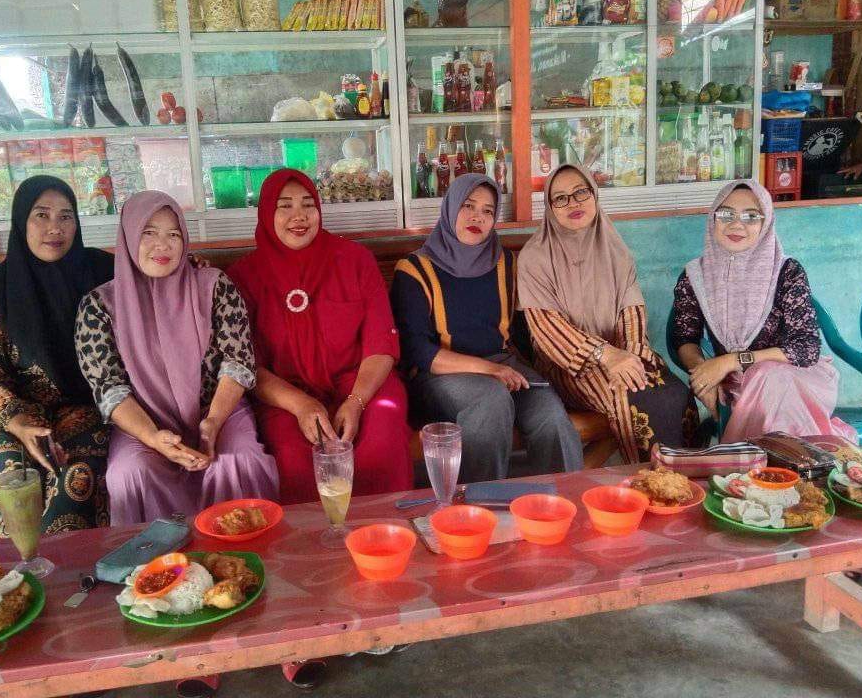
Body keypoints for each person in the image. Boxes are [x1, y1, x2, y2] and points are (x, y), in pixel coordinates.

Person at [75, 191, 278, 525]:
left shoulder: (214, 286)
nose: (163, 245)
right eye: (149, 233)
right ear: (129, 237)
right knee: (130, 473)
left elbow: (238, 363)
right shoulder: (98, 307)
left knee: (239, 459)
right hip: (144, 422)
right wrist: (153, 438)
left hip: (217, 411)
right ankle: (158, 556)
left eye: (173, 234)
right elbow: (109, 390)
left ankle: (247, 550)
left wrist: (213, 422)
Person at [227, 169, 412, 505]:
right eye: (285, 206)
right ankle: (316, 538)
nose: (299, 216)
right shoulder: (244, 276)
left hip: (361, 384)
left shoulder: (355, 260)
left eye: (308, 205)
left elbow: (381, 345)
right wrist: (300, 405)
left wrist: (356, 402)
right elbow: (248, 366)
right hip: (285, 396)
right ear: (266, 214)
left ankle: (383, 528)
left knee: (380, 445)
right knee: (295, 461)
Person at [390, 173, 583, 481]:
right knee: (490, 399)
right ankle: (480, 502)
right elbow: (417, 351)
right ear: (451, 208)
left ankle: (565, 496)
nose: (477, 217)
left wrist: (554, 368)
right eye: (468, 206)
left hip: (503, 365)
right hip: (440, 375)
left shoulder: (504, 262)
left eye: (488, 210)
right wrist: (489, 370)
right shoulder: (415, 270)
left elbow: (523, 332)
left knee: (549, 414)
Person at [0, 175, 115, 538]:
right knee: (12, 479)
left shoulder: (103, 272)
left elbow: (158, 272)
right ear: (21, 222)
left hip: (87, 411)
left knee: (76, 479)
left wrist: (196, 268)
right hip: (13, 417)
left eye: (66, 216)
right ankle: (13, 573)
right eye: (41, 215)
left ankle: (74, 570)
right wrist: (19, 423)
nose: (54, 228)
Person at [518, 163, 696, 463]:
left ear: (594, 194)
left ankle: (684, 479)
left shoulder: (615, 250)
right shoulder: (535, 258)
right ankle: (649, 483)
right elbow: (548, 330)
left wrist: (631, 355)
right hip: (570, 366)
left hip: (623, 355)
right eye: (560, 198)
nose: (573, 203)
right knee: (632, 397)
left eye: (581, 192)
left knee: (675, 393)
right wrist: (606, 356)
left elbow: (631, 309)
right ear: (550, 207)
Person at [672, 179, 857, 443]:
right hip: (736, 383)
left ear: (766, 223)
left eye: (751, 216)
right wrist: (703, 373)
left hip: (797, 378)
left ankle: (767, 463)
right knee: (767, 379)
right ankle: (789, 463)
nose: (737, 225)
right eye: (726, 214)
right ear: (713, 219)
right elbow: (684, 338)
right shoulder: (695, 277)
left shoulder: (787, 271)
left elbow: (806, 348)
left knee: (771, 377)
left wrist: (730, 361)